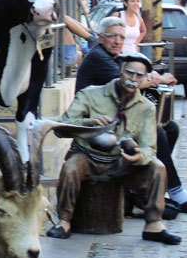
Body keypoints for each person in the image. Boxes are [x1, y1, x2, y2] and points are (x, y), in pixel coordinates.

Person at [46, 50, 181, 245]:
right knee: (71, 167)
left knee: (157, 167)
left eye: (139, 75)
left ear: (144, 78)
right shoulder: (91, 94)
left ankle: (153, 224)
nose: (133, 79)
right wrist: (88, 123)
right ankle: (64, 221)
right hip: (88, 156)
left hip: (121, 160)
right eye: (129, 73)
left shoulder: (145, 108)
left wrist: (138, 156)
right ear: (120, 70)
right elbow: (61, 127)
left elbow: (149, 146)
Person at [74, 16, 187, 213]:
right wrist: (156, 78)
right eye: (112, 36)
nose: (117, 41)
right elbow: (127, 84)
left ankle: (147, 186)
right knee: (157, 133)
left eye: (121, 37)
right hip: (98, 125)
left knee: (171, 128)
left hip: (115, 117)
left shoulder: (111, 57)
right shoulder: (99, 58)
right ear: (101, 38)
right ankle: (173, 191)